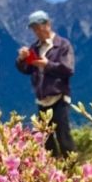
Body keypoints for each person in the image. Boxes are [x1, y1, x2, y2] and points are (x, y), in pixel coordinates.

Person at [16, 10, 75, 158]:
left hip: (59, 97)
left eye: (39, 27)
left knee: (63, 136)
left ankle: (72, 169)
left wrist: (47, 65)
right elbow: (27, 69)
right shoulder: (34, 48)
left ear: (47, 24)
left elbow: (68, 69)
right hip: (42, 100)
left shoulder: (62, 45)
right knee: (45, 139)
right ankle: (53, 168)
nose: (37, 31)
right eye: (34, 29)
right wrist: (22, 59)